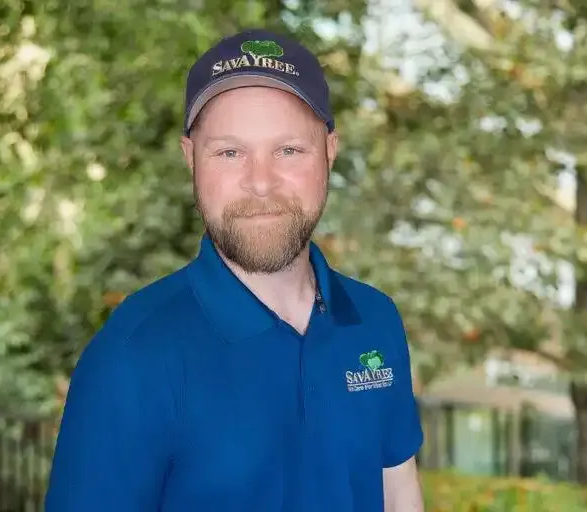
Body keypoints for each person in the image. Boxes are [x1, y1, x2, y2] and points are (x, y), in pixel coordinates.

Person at [45, 28, 425, 512]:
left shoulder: (374, 321)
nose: (261, 182)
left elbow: (397, 492)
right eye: (230, 153)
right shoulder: (133, 355)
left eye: (288, 150)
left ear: (330, 150)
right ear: (191, 158)